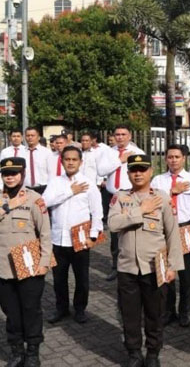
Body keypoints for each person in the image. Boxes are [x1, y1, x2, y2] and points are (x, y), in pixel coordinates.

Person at [108, 154, 184, 367]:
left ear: (151, 171)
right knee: (129, 315)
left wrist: (173, 266)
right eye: (134, 170)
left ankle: (152, 353)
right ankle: (133, 353)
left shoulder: (163, 198)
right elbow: (113, 224)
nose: (138, 173)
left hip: (155, 267)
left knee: (155, 314)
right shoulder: (120, 198)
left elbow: (172, 234)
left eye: (142, 169)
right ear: (128, 173)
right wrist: (140, 210)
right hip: (127, 268)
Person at [43, 146, 103, 325]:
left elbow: (97, 212)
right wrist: (70, 191)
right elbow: (44, 202)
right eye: (67, 159)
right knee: (59, 278)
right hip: (58, 239)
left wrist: (93, 236)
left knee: (81, 278)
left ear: (80, 162)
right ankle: (61, 308)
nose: (70, 162)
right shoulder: (55, 182)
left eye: (74, 159)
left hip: (80, 239)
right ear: (62, 162)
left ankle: (80, 309)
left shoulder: (88, 183)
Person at [0, 157, 51, 367]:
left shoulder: (35, 199)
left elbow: (45, 234)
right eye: (6, 173)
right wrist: (8, 207)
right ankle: (16, 351)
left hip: (29, 267)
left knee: (31, 310)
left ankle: (32, 351)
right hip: (3, 268)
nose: (10, 177)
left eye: (14, 173)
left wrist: (44, 262)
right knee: (11, 313)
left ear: (22, 174)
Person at [151, 144, 190, 328]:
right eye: (170, 157)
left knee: (186, 275)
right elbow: (152, 203)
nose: (173, 160)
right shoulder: (158, 181)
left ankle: (184, 312)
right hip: (163, 231)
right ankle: (168, 311)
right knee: (166, 274)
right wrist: (172, 192)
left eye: (177, 157)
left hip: (185, 230)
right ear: (165, 159)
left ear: (184, 158)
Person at [97, 125, 145, 281]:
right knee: (115, 232)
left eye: (123, 134)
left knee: (133, 230)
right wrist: (120, 161)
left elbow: (144, 175)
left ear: (129, 136)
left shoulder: (138, 153)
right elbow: (101, 171)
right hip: (114, 196)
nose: (120, 137)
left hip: (132, 195)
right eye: (117, 134)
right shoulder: (109, 152)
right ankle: (116, 267)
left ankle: (135, 264)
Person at [23, 127, 53, 195]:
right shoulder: (21, 153)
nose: (30, 137)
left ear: (38, 137)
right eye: (28, 135)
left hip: (43, 189)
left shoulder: (47, 153)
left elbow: (51, 173)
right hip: (26, 189)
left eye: (32, 135)